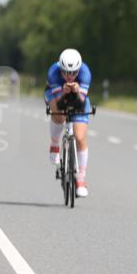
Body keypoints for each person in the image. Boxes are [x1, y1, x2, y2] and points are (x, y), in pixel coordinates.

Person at [45, 49, 93, 197]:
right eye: (66, 72)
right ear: (61, 68)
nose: (70, 76)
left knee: (79, 137)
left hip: (79, 99)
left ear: (79, 69)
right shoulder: (53, 73)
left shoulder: (85, 74)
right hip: (56, 96)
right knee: (59, 115)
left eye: (73, 73)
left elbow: (80, 103)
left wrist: (77, 92)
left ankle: (80, 180)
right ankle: (54, 144)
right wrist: (64, 93)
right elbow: (60, 105)